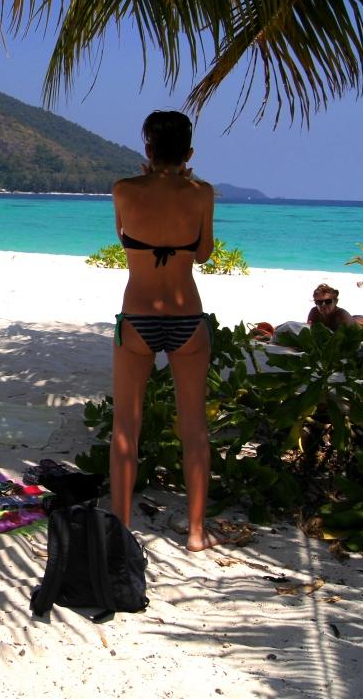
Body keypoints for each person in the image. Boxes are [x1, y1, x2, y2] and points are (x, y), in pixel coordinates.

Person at [110, 110, 224, 552]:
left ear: (148, 150)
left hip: (137, 317)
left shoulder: (124, 189)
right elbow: (204, 254)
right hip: (186, 318)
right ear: (189, 154)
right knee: (194, 428)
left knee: (126, 427)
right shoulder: (202, 193)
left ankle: (121, 530)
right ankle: (195, 533)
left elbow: (124, 238)